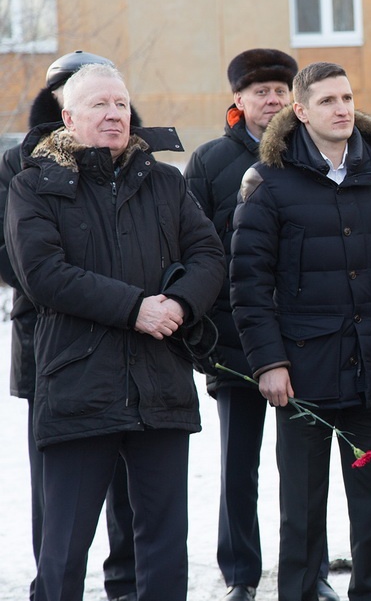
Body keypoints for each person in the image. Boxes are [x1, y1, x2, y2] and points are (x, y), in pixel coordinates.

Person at [3, 63, 226, 601]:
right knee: (64, 548)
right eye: (100, 105)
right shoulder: (34, 185)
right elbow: (43, 275)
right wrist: (135, 310)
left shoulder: (165, 182)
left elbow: (210, 254)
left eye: (121, 104)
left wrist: (178, 302)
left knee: (164, 549)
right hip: (79, 385)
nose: (114, 115)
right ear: (69, 117)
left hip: (161, 386)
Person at [229, 62, 371, 601]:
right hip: (302, 375)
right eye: (327, 101)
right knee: (300, 510)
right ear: (300, 111)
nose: (342, 109)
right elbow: (248, 283)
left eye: (347, 97)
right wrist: (269, 362)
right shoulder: (269, 184)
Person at [185, 49, 342, 601]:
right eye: (260, 92)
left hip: (307, 339)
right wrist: (205, 338)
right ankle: (241, 574)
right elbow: (194, 251)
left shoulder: (318, 154)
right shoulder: (207, 164)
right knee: (239, 466)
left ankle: (312, 568)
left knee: (305, 468)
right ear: (238, 99)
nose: (271, 100)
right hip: (234, 340)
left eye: (280, 91)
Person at [0, 50, 144, 601]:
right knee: (57, 486)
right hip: (49, 338)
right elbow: (14, 252)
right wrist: (69, 287)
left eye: (114, 98)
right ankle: (56, 582)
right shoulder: (22, 164)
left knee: (132, 481)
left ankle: (126, 582)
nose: (106, 108)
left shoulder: (136, 153)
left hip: (135, 341)